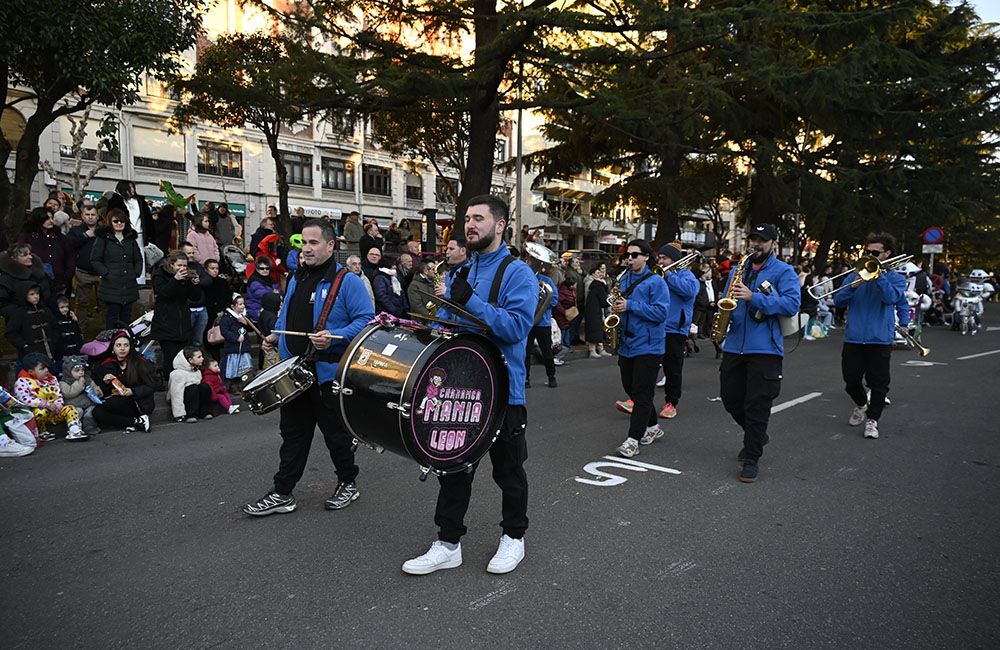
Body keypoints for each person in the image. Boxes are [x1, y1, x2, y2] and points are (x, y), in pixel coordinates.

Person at [402, 195, 536, 576]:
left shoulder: (517, 273)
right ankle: (448, 543)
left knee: (508, 471)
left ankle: (514, 537)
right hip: (461, 387)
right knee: (453, 468)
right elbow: (450, 327)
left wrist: (472, 302)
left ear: (501, 225)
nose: (470, 225)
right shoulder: (460, 271)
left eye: (479, 218)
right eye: (467, 219)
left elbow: (515, 328)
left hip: (503, 391)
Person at [242, 219, 374, 516]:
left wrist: (336, 337)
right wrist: (276, 335)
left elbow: (367, 320)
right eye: (304, 242)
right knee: (293, 435)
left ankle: (348, 482)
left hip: (327, 373)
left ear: (330, 246)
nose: (307, 248)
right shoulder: (297, 277)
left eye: (314, 242)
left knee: (335, 435)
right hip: (295, 371)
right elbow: (286, 315)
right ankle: (282, 492)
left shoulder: (347, 281)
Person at [718, 223, 801, 483]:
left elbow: (791, 304)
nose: (756, 244)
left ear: (773, 243)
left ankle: (752, 457)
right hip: (734, 345)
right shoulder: (737, 270)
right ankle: (757, 435)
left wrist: (755, 297)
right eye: (753, 239)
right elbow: (727, 300)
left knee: (757, 405)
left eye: (762, 241)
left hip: (765, 348)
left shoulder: (784, 271)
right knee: (730, 398)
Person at [833, 233, 908, 440]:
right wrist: (853, 286)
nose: (870, 256)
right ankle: (861, 405)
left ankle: (872, 420)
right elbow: (838, 301)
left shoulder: (895, 278)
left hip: (879, 338)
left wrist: (878, 277)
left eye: (875, 253)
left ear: (887, 254)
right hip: (854, 337)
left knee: (879, 383)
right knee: (851, 381)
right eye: (867, 252)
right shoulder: (854, 275)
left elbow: (892, 298)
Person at [607, 240, 670, 458]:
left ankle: (633, 440)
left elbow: (661, 313)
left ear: (646, 257)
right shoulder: (623, 279)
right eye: (628, 255)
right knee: (632, 389)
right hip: (627, 343)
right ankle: (653, 427)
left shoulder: (656, 282)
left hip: (650, 346)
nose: (630, 259)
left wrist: (630, 305)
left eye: (635, 255)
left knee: (642, 393)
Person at [655, 243, 700, 419]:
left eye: (664, 258)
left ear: (674, 260)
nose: (661, 261)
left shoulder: (687, 276)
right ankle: (637, 399)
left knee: (672, 368)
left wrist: (669, 275)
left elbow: (689, 292)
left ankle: (671, 403)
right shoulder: (658, 275)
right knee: (647, 364)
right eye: (659, 258)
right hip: (657, 324)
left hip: (675, 328)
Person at [14, 352, 87, 441]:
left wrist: (57, 407)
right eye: (42, 368)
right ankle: (42, 432)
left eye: (47, 367)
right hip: (37, 414)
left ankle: (75, 431)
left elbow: (58, 395)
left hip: (54, 412)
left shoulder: (52, 379)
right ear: (31, 371)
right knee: (41, 412)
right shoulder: (22, 382)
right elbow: (25, 399)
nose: (46, 370)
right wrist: (46, 404)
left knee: (70, 408)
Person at [151, 251, 203, 378]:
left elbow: (194, 297)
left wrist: (195, 284)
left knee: (183, 357)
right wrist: (175, 280)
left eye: (185, 266)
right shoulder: (159, 275)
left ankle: (183, 385)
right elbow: (163, 294)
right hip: (165, 321)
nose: (183, 269)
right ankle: (170, 385)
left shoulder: (186, 277)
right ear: (172, 265)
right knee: (170, 358)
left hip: (182, 322)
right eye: (179, 265)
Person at [91, 208, 144, 329]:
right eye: (116, 221)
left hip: (129, 285)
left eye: (122, 221)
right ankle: (111, 345)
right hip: (110, 286)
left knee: (127, 318)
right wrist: (106, 273)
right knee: (111, 318)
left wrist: (136, 272)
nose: (119, 223)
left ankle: (124, 344)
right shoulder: (103, 238)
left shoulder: (130, 239)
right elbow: (95, 259)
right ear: (110, 222)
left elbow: (138, 259)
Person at [92, 332, 154, 433]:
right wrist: (106, 383)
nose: (122, 348)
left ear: (130, 347)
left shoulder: (140, 363)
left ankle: (138, 419)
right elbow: (104, 392)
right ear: (113, 349)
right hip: (118, 401)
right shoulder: (107, 364)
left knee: (112, 403)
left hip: (138, 402)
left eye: (126, 345)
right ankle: (136, 422)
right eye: (118, 345)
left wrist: (133, 391)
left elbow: (152, 386)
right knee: (96, 412)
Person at [18, 207, 75, 297]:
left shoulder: (59, 237)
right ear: (39, 219)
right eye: (47, 218)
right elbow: (21, 257)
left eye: (52, 218)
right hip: (35, 282)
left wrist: (68, 274)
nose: (51, 221)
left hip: (60, 281)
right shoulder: (26, 237)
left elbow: (70, 256)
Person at [107, 180, 152, 283]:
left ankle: (139, 280)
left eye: (133, 187)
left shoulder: (140, 201)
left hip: (139, 234)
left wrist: (149, 236)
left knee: (139, 257)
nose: (132, 189)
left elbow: (148, 220)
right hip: (124, 234)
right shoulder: (116, 201)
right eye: (129, 187)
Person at [525, 255, 559, 388]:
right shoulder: (525, 279)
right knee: (525, 353)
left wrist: (542, 302)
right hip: (527, 322)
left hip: (543, 322)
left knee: (547, 351)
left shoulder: (547, 281)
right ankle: (526, 379)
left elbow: (554, 300)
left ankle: (552, 377)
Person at [5, 284, 58, 362]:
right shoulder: (20, 312)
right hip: (30, 353)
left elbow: (55, 326)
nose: (36, 296)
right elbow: (10, 333)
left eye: (37, 293)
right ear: (24, 295)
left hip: (50, 350)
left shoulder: (45, 310)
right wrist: (24, 345)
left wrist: (54, 341)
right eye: (32, 294)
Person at [0, 243, 53, 322]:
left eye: (30, 254)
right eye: (24, 255)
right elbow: (2, 304)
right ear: (13, 258)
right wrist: (23, 314)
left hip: (45, 320)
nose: (30, 257)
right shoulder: (6, 279)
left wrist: (59, 304)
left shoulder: (40, 274)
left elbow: (52, 292)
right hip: (20, 324)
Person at [67, 204, 102, 316]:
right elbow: (69, 245)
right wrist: (85, 236)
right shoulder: (75, 231)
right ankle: (80, 330)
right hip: (83, 272)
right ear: (82, 216)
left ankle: (107, 331)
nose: (90, 217)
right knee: (82, 303)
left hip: (102, 272)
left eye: (93, 214)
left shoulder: (104, 231)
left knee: (105, 303)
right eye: (87, 214)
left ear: (97, 216)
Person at [59, 356, 103, 435]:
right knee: (77, 412)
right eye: (77, 370)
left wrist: (97, 391)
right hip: (74, 404)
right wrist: (79, 384)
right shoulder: (64, 382)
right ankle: (75, 429)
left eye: (82, 370)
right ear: (68, 371)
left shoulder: (87, 379)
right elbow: (68, 393)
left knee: (91, 412)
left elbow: (94, 386)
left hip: (89, 403)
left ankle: (90, 427)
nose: (81, 372)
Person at [168, 347, 212, 423]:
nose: (202, 359)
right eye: (199, 357)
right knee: (193, 388)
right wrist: (179, 414)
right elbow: (176, 395)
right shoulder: (177, 374)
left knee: (204, 387)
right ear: (190, 360)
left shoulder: (196, 371)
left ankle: (204, 412)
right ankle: (190, 415)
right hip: (184, 398)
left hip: (194, 397)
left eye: (201, 356)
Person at [220, 295, 254, 387]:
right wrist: (236, 338)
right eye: (240, 304)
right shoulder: (227, 317)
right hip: (233, 349)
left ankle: (245, 384)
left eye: (243, 304)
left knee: (246, 369)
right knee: (233, 369)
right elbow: (224, 331)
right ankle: (233, 386)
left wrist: (246, 323)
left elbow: (252, 328)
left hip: (244, 348)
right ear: (233, 306)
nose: (243, 306)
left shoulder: (244, 316)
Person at [584, 262, 612, 358]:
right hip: (594, 311)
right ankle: (593, 350)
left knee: (597, 329)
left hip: (595, 310)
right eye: (598, 272)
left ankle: (600, 349)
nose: (600, 274)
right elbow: (604, 301)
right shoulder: (597, 286)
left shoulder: (598, 285)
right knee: (594, 330)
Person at [246, 256, 280, 322]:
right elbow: (264, 295)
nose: (265, 270)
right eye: (262, 268)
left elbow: (280, 291)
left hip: (269, 309)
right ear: (257, 268)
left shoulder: (271, 279)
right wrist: (275, 293)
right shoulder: (254, 280)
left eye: (267, 268)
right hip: (256, 309)